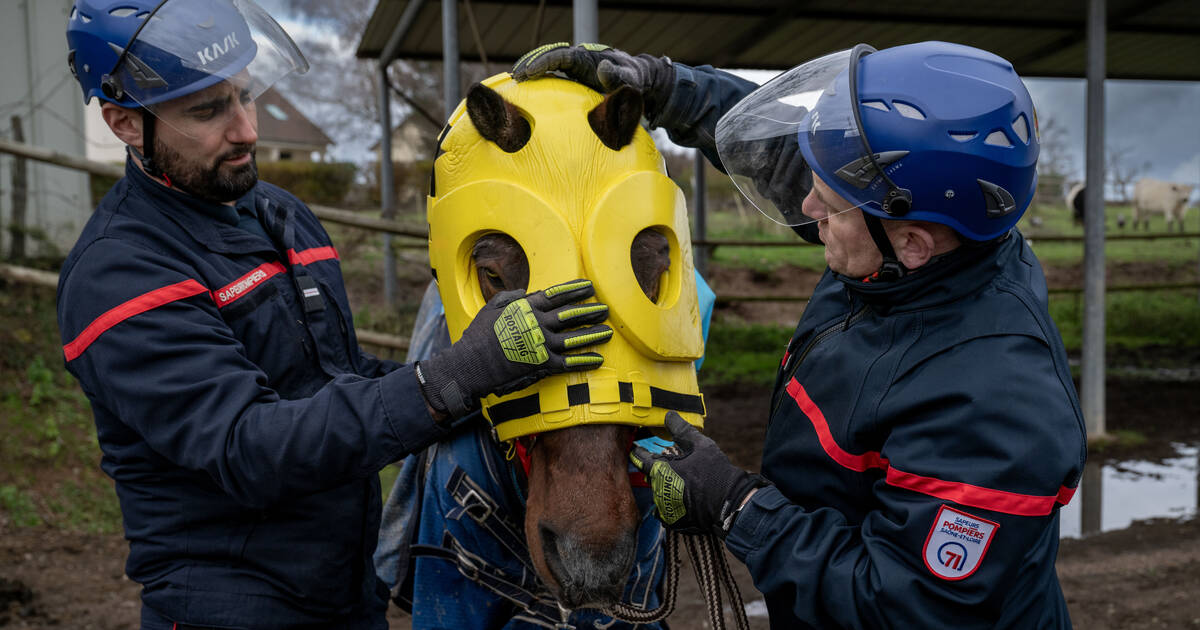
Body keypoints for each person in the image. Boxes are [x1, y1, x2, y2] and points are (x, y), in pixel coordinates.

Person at [58, 3, 612, 628]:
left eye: (245, 95)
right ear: (124, 123)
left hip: (348, 592)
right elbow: (253, 447)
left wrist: (483, 386)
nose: (246, 130)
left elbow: (336, 378)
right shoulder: (121, 275)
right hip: (232, 607)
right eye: (207, 110)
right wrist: (455, 378)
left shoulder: (281, 215)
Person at [514, 41, 1087, 628]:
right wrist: (665, 86)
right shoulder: (917, 251)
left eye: (829, 207)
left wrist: (737, 506)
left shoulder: (995, 406)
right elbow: (788, 161)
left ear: (912, 242)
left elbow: (909, 606)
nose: (806, 205)